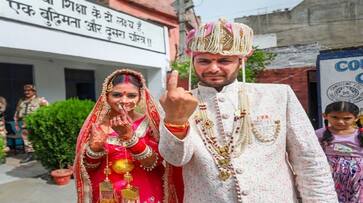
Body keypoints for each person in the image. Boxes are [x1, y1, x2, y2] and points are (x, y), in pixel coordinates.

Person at [158, 19, 338, 202]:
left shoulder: (278, 96)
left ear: (241, 61)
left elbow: (310, 162)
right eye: (204, 60)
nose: (213, 68)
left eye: (224, 60)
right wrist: (176, 119)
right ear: (192, 61)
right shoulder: (177, 104)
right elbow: (176, 159)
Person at [74, 69, 182, 203]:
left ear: (140, 97)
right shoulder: (97, 125)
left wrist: (130, 138)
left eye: (131, 95)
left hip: (146, 190)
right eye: (117, 94)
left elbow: (154, 163)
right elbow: (88, 168)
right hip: (107, 193)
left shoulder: (149, 123)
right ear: (106, 96)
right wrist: (94, 149)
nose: (124, 100)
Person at [316, 101, 363, 202]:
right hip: (329, 173)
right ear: (325, 116)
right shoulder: (320, 133)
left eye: (347, 118)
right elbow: (314, 153)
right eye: (335, 117)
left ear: (356, 118)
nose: (340, 121)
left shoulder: (360, 134)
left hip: (358, 176)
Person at [14, 84, 48, 163]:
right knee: (27, 141)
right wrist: (16, 121)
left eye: (29, 91)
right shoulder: (21, 101)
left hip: (36, 124)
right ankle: (30, 155)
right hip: (25, 124)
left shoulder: (40, 100)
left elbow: (47, 110)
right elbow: (17, 112)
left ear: (34, 91)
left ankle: (41, 155)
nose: (27, 92)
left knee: (38, 139)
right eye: (25, 91)